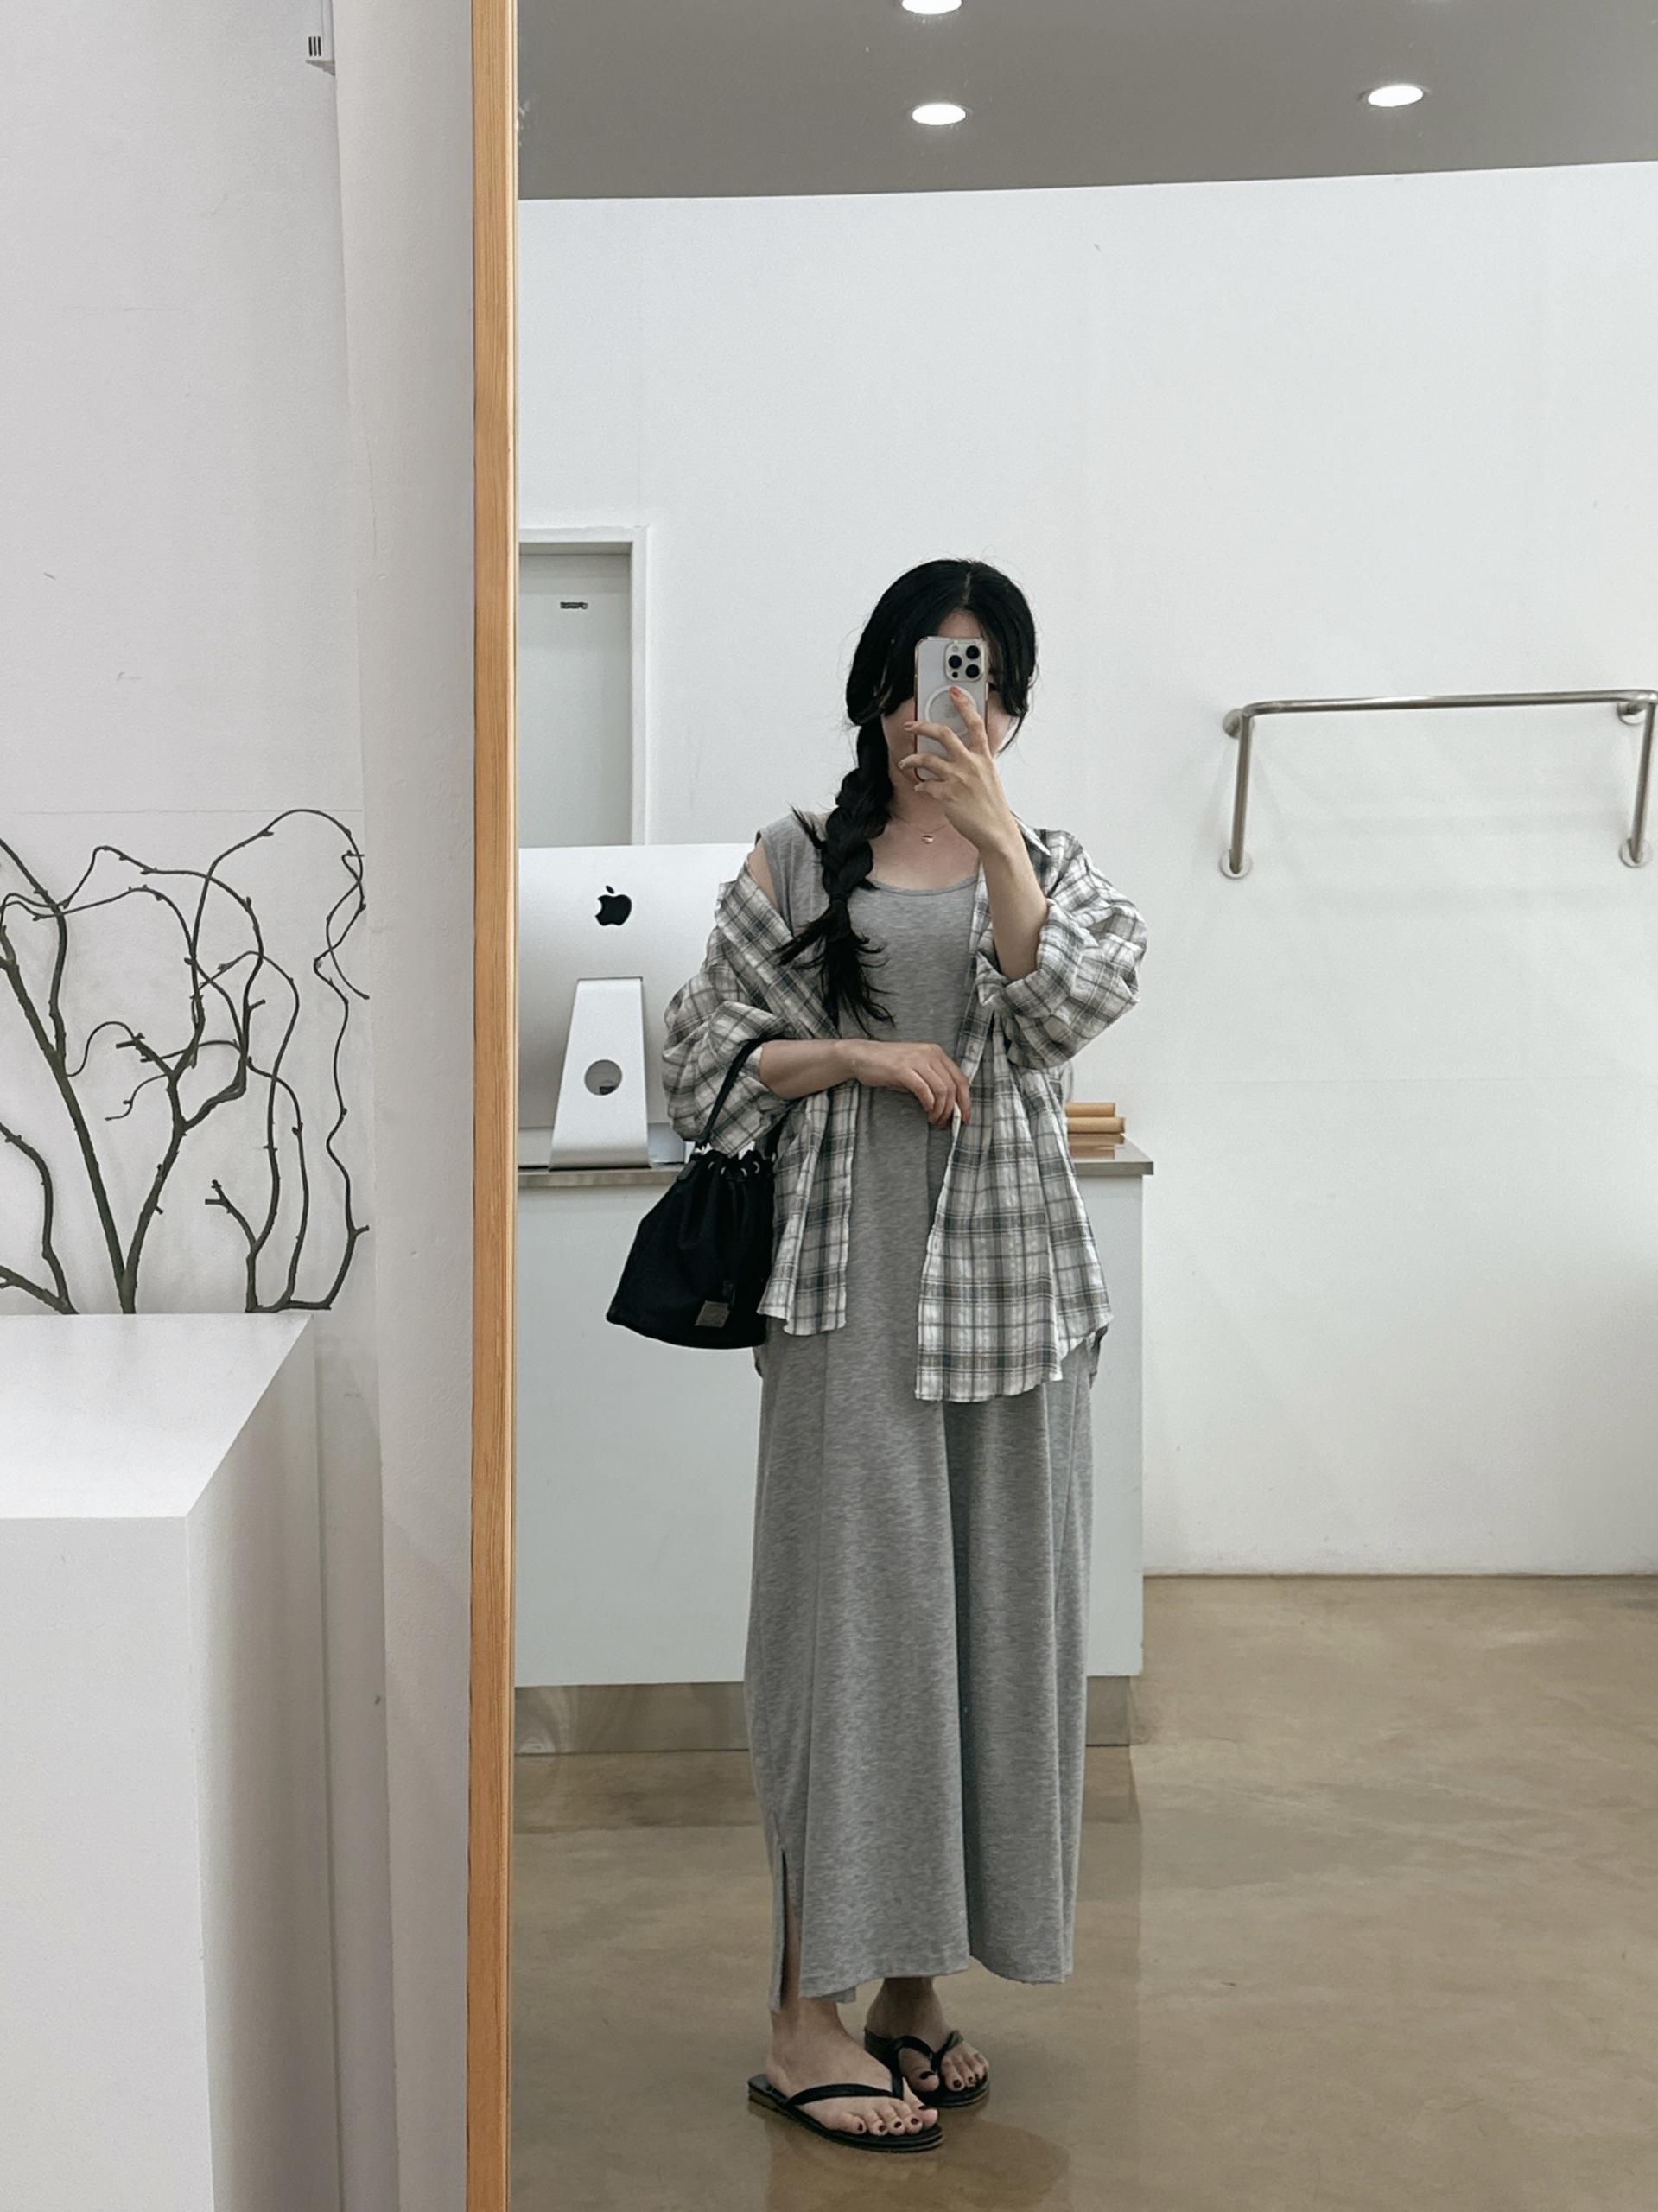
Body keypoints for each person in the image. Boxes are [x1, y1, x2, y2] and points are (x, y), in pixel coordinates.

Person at [661, 557, 1148, 2151]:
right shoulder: (798, 861)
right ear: (878, 689)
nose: (951, 704)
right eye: (928, 670)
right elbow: (699, 1062)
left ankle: (912, 1990)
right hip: (846, 1297)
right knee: (850, 1645)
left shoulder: (1049, 865)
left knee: (987, 1640)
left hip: (1017, 1303)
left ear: (1010, 705)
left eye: (981, 676)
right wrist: (861, 1055)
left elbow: (1067, 1009)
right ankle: (803, 2014)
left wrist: (998, 837)